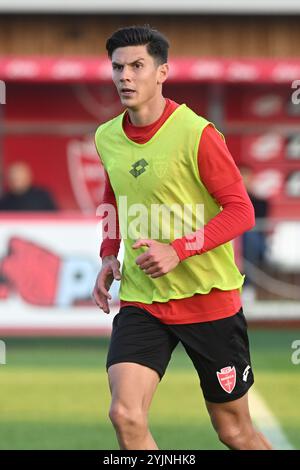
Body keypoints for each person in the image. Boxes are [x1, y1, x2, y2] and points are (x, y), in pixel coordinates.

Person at [93, 25, 272, 450]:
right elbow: (112, 197)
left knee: (234, 432)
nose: (125, 76)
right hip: (143, 298)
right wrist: (107, 254)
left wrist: (178, 250)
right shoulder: (106, 137)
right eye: (118, 67)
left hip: (208, 299)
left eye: (138, 66)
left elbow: (241, 211)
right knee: (125, 415)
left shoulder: (197, 133)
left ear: (162, 72)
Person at [239, 165, 270, 300]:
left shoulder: (261, 202)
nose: (243, 180)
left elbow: (257, 225)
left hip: (253, 242)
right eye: (240, 176)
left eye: (246, 176)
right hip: (233, 240)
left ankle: (247, 286)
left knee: (249, 238)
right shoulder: (223, 200)